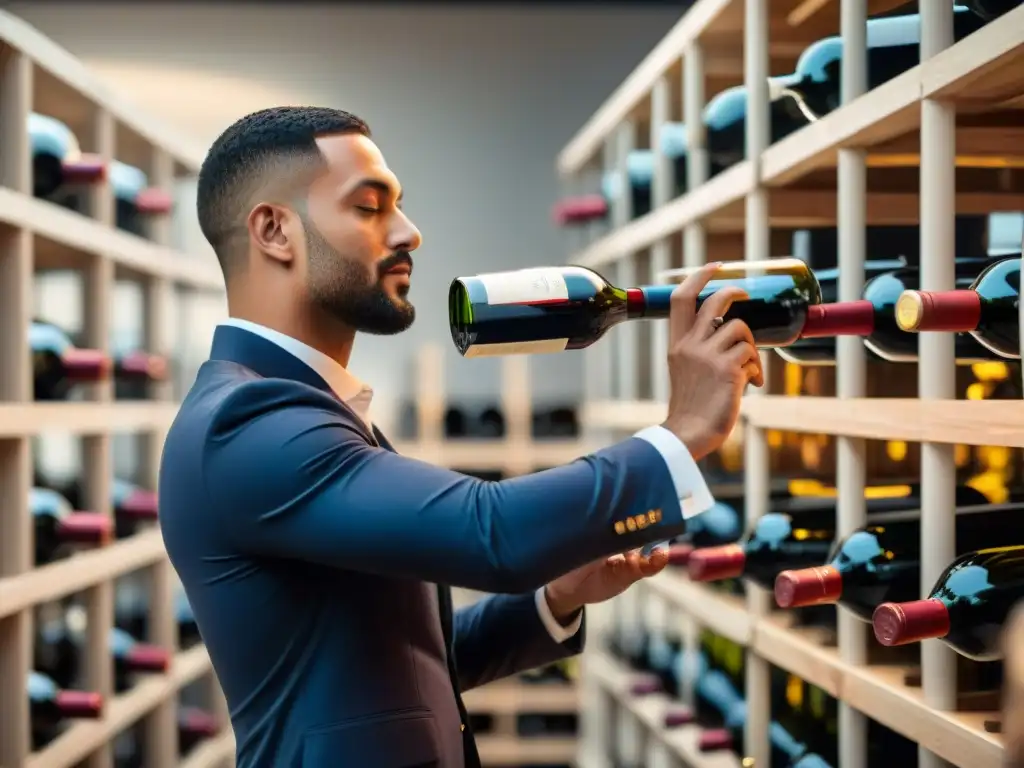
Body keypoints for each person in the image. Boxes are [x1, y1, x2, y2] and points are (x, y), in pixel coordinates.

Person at [158, 106, 763, 768]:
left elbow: (394, 671)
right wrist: (683, 434)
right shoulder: (247, 420)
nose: (409, 233)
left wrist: (555, 598)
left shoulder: (304, 407)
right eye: (369, 207)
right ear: (275, 230)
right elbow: (491, 532)